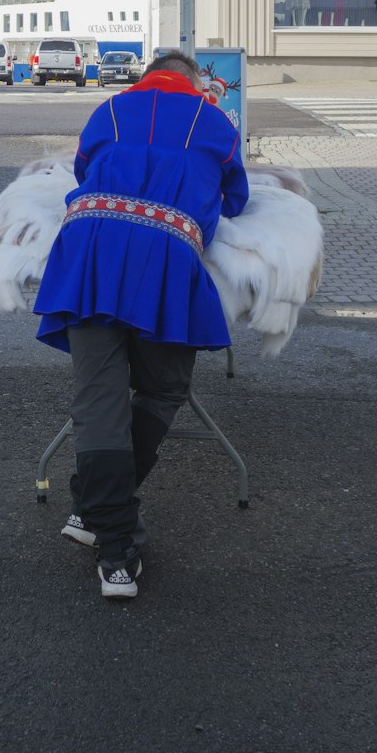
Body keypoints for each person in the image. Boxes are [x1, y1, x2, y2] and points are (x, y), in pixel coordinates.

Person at [32, 50, 249, 599]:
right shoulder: (214, 120)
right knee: (162, 388)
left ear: (146, 74)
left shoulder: (107, 109)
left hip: (88, 250)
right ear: (196, 81)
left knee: (98, 400)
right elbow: (238, 200)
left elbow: (85, 170)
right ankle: (116, 548)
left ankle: (96, 518)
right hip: (166, 257)